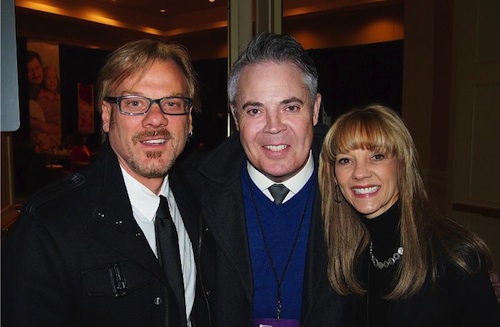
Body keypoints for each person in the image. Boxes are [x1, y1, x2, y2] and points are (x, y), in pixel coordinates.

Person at [2, 39, 208, 326]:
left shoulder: (204, 202)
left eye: (172, 103)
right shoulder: (47, 229)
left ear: (189, 120)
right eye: (134, 103)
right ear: (107, 116)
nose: (156, 119)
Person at [189, 33, 350, 326]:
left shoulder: (357, 189)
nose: (274, 127)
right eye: (255, 110)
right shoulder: (192, 193)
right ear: (236, 117)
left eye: (290, 107)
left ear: (315, 110)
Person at [318, 104, 500, 326]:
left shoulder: (455, 257)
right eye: (345, 160)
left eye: (377, 156)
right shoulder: (353, 256)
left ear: (403, 165)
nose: (359, 173)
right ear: (334, 177)